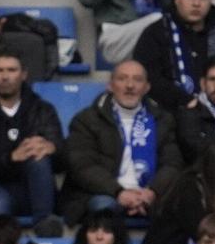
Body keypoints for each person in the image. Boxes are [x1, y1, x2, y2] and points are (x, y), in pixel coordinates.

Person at [62, 60, 181, 224]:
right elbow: (82, 166)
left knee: (173, 209)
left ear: (147, 88)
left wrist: (152, 191)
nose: (130, 85)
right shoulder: (87, 119)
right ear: (110, 85)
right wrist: (119, 192)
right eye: (122, 79)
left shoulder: (162, 120)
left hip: (149, 194)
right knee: (104, 207)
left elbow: (172, 164)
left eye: (137, 80)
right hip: (104, 193)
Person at [0, 49, 65, 232]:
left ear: (24, 74)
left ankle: (45, 226)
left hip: (36, 189)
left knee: (37, 154)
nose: (5, 76)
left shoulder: (43, 110)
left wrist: (52, 149)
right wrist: (12, 157)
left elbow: (63, 161)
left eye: (11, 70)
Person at [131, 0, 215, 115]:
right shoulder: (155, 34)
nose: (196, 3)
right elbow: (148, 78)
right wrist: (185, 101)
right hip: (170, 116)